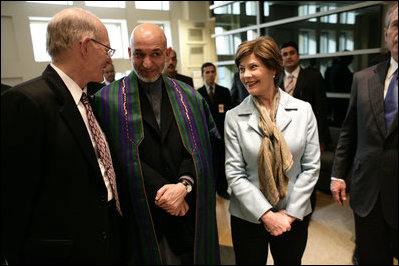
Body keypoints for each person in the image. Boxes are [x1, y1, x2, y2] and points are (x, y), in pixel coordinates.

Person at [1, 7, 128, 264]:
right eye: (106, 49)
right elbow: (12, 197)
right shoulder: (26, 102)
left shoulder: (89, 98)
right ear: (85, 46)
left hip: (102, 243)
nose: (108, 58)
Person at [92, 23, 220, 264]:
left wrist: (184, 185)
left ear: (168, 53)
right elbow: (116, 158)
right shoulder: (105, 102)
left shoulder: (190, 97)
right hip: (139, 219)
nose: (147, 63)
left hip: (186, 214)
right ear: (129, 53)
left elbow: (203, 148)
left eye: (156, 54)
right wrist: (166, 193)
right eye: (139, 54)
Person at [225, 36, 320, 265]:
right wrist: (267, 215)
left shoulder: (303, 111)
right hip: (249, 216)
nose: (246, 75)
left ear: (273, 69)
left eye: (253, 67)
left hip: (293, 215)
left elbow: (311, 167)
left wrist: (288, 216)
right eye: (241, 69)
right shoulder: (234, 117)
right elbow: (235, 174)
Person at [330, 2, 398, 264]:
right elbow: (348, 131)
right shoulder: (362, 78)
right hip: (367, 189)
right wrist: (337, 174)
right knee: (371, 256)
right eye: (396, 25)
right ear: (386, 32)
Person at [198, 62, 233, 200]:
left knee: (222, 162)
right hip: (206, 137)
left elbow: (230, 114)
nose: (210, 74)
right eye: (207, 72)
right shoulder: (198, 94)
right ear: (202, 75)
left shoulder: (224, 92)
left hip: (222, 135)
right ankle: (210, 190)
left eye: (212, 71)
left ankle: (222, 189)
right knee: (208, 164)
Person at [325, 54, 354, 127]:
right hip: (340, 98)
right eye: (350, 60)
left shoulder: (336, 67)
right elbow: (346, 83)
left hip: (336, 97)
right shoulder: (341, 68)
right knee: (340, 119)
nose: (350, 62)